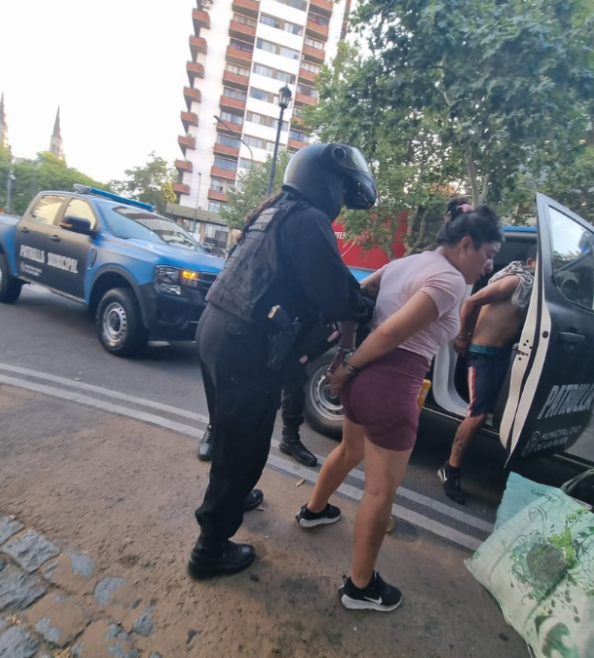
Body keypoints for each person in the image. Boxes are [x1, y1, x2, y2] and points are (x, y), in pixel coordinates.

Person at [298, 198, 501, 612]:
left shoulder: (406, 263)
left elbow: (357, 295)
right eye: (488, 254)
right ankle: (360, 587)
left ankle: (314, 511)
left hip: (363, 385)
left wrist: (348, 356)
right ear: (466, 243)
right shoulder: (450, 281)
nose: (489, 266)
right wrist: (348, 366)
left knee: (349, 450)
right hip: (390, 388)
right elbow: (390, 333)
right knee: (379, 492)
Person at [189, 143, 376, 579]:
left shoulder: (276, 212)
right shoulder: (308, 219)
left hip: (216, 328)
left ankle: (235, 498)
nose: (342, 201)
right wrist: (365, 305)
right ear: (324, 181)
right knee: (243, 448)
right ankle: (209, 550)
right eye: (342, 190)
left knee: (230, 436)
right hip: (244, 345)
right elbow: (336, 292)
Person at [438, 244, 537, 503]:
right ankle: (450, 469)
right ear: (531, 261)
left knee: (486, 413)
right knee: (478, 414)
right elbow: (472, 301)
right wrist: (463, 336)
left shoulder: (532, 291)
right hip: (483, 353)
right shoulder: (516, 281)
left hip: (500, 355)